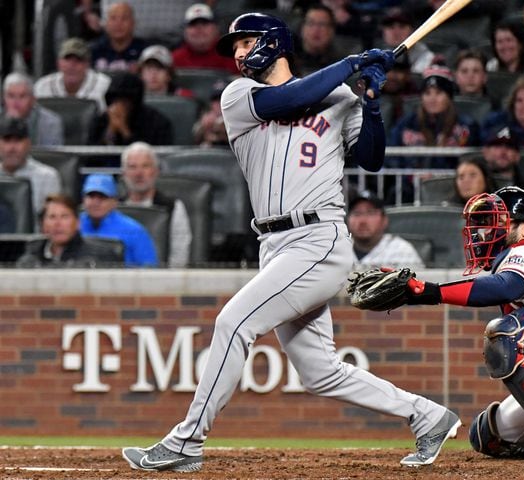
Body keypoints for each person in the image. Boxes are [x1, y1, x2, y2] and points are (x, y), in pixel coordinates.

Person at [122, 12, 459, 472]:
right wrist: (351, 63)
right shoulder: (238, 95)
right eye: (236, 47)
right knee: (321, 373)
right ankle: (428, 416)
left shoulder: (341, 96)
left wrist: (373, 101)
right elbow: (290, 99)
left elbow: (372, 158)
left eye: (245, 43)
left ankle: (187, 441)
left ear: (274, 42)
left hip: (318, 238)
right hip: (275, 245)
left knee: (233, 323)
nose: (239, 54)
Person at [353, 185, 524, 461]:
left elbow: (503, 288)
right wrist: (412, 295)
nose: (485, 231)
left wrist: (429, 291)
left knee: (507, 333)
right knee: (489, 435)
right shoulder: (521, 258)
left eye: (497, 221)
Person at [388, 62, 480, 170]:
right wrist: (412, 177)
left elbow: (473, 162)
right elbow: (392, 161)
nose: (432, 99)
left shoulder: (467, 126)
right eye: (427, 93)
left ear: (449, 97)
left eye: (439, 93)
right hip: (411, 185)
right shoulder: (405, 124)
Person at [120, 142, 192, 267]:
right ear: (123, 173)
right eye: (132, 167)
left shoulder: (173, 207)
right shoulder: (115, 208)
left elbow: (179, 255)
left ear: (155, 171)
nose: (139, 173)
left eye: (145, 166)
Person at [16, 194, 123, 268]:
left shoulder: (101, 256)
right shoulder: (32, 256)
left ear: (77, 223)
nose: (58, 223)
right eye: (52, 217)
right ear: (43, 226)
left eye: (64, 217)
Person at [79, 173, 158, 267]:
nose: (96, 202)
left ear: (114, 201)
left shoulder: (134, 231)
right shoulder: (72, 226)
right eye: (91, 196)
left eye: (102, 197)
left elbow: (149, 269)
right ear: (83, 199)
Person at [88, 72, 173, 146]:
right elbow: (90, 159)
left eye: (125, 101)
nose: (119, 106)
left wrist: (125, 131)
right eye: (115, 100)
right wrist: (110, 130)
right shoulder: (101, 120)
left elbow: (151, 157)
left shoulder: (156, 122)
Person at [0, 117, 62, 220]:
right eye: (7, 141)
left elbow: (52, 220)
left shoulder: (47, 176)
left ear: (28, 144)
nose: (12, 148)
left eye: (18, 141)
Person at [348, 190, 425, 271]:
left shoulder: (402, 250)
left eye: (371, 213)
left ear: (384, 220)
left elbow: (415, 282)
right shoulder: (337, 248)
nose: (362, 221)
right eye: (357, 213)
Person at [33, 37, 111, 112]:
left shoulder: (104, 85)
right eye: (67, 59)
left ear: (87, 64)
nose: (72, 65)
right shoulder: (42, 86)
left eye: (78, 60)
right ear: (58, 63)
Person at [482, 128, 524, 202]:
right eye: (497, 146)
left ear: (517, 156)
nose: (503, 152)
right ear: (485, 153)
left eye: (509, 147)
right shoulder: (476, 187)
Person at [172, 3, 240, 75]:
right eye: (193, 24)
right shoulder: (175, 59)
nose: (199, 28)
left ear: (216, 29)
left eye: (205, 23)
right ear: (185, 31)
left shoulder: (231, 57)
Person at [1, 72, 64, 147]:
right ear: (4, 98)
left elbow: (49, 157)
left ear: (33, 100)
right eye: (11, 96)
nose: (16, 102)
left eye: (22, 96)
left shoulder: (51, 123)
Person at [91, 2, 146, 73]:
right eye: (113, 18)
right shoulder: (93, 50)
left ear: (133, 23)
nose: (118, 24)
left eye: (124, 18)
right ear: (106, 24)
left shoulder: (144, 51)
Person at [379, 8, 434, 75]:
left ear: (412, 30)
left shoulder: (425, 55)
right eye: (390, 27)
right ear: (383, 31)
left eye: (402, 26)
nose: (396, 32)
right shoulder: (374, 55)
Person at [294, 4, 344, 76]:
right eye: (311, 23)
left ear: (332, 31)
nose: (316, 29)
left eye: (322, 24)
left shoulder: (341, 64)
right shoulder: (287, 61)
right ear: (302, 28)